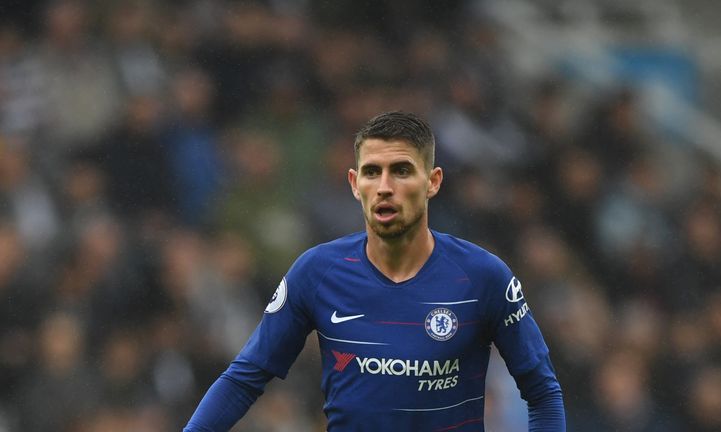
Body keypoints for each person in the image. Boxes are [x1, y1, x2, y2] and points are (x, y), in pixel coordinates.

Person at [183, 111, 566, 431]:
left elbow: (542, 391)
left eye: (401, 171)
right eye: (371, 172)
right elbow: (242, 380)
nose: (384, 187)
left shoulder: (483, 276)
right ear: (354, 184)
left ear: (432, 182)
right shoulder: (317, 273)